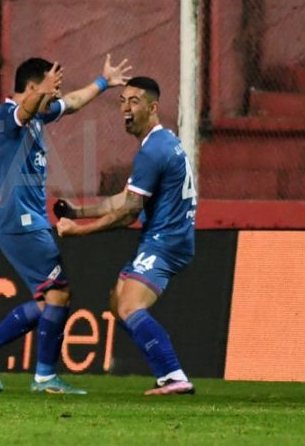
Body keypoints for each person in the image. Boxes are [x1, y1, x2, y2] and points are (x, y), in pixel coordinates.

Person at [0, 55, 130, 395]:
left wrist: (102, 82)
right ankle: (43, 377)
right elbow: (24, 112)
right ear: (30, 88)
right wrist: (44, 93)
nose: (56, 95)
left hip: (28, 220)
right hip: (19, 220)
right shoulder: (6, 115)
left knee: (50, 300)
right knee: (60, 292)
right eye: (49, 88)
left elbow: (72, 103)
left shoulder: (39, 114)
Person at [55, 76, 198, 396]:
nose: (126, 109)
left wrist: (79, 232)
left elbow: (129, 212)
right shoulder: (161, 143)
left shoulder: (153, 151)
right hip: (167, 237)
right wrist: (76, 211)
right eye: (122, 102)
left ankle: (173, 375)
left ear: (152, 107)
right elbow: (126, 198)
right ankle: (166, 372)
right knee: (117, 299)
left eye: (134, 101)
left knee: (130, 306)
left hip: (166, 241)